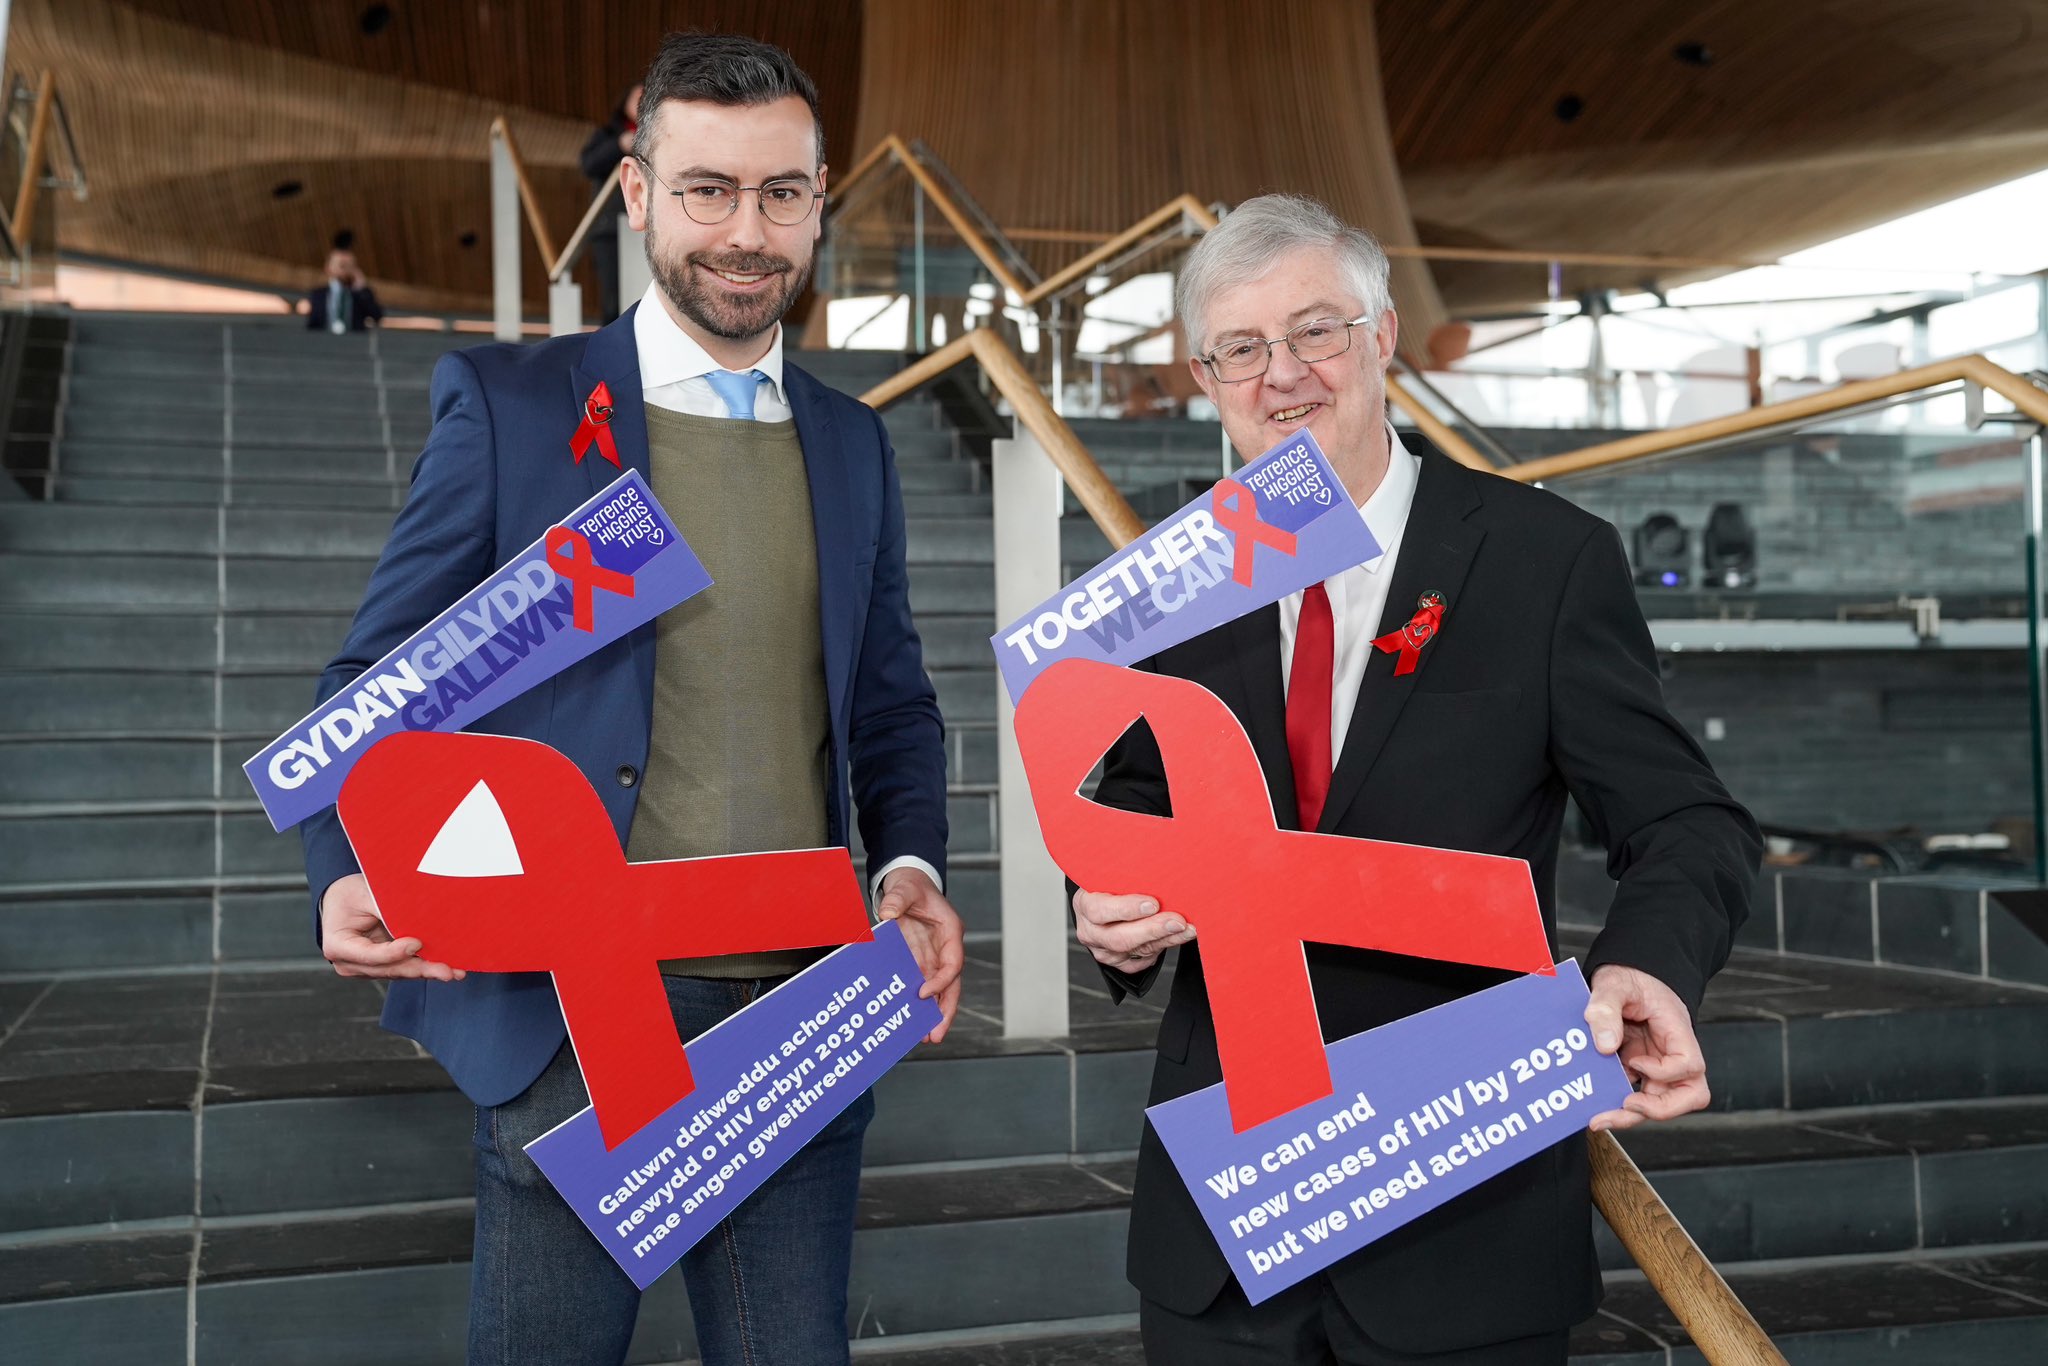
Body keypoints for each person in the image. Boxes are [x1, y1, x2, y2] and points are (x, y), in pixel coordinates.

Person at [299, 32, 964, 1366]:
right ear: (641, 194)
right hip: (570, 1007)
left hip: (799, 1001)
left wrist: (909, 865)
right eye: (708, 188)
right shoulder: (515, 406)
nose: (747, 230)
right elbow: (374, 688)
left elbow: (889, 700)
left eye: (782, 193)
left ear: (820, 200)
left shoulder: (850, 438)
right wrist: (343, 862)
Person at [1072, 195, 1760, 1365]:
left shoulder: (1544, 562)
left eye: (1313, 332)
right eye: (1238, 348)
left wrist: (1645, 962)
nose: (1279, 375)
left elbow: (1690, 822)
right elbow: (1131, 798)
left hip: (1462, 1195)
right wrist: (1109, 904)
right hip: (1225, 1218)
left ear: (1382, 334)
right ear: (1205, 375)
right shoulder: (1180, 573)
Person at [580, 84, 643, 324]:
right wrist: (619, 145)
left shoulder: (661, 135)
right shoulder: (607, 134)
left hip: (647, 229)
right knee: (613, 299)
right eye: (638, 96)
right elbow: (588, 165)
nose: (642, 100)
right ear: (624, 102)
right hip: (610, 229)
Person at [304, 241, 384, 332]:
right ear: (328, 268)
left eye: (350, 265)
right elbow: (312, 325)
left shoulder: (362, 294)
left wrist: (360, 289)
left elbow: (377, 317)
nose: (346, 270)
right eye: (342, 265)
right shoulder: (318, 294)